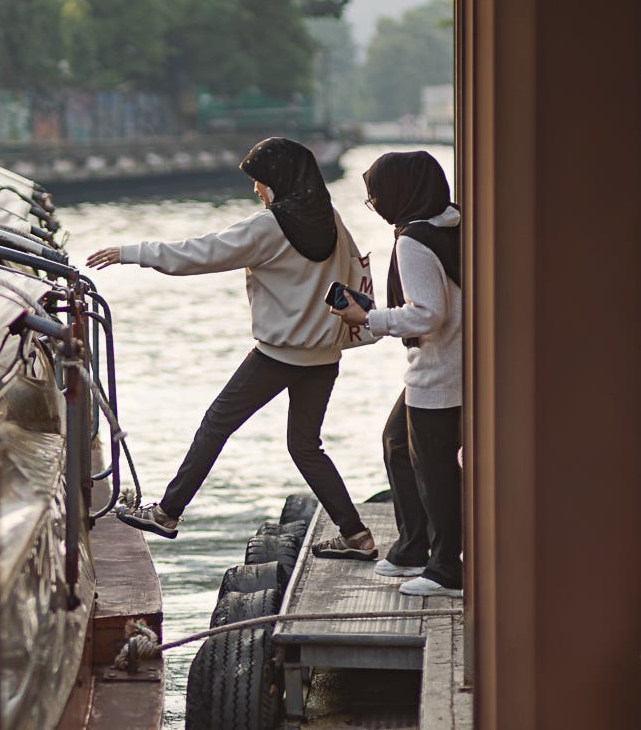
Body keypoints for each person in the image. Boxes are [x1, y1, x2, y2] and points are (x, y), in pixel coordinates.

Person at [89, 138, 380, 560]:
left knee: (216, 423)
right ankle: (356, 535)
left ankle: (168, 513)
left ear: (278, 181)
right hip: (324, 356)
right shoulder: (331, 220)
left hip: (278, 355)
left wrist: (133, 252)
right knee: (305, 446)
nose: (256, 191)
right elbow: (355, 276)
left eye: (259, 182)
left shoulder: (269, 226)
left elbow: (202, 253)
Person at [331, 150, 463, 597]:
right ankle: (413, 548)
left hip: (438, 370)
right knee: (397, 442)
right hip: (457, 365)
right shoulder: (453, 223)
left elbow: (427, 315)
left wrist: (367, 318)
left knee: (435, 469)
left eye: (377, 196)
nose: (377, 204)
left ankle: (446, 568)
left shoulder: (414, 242)